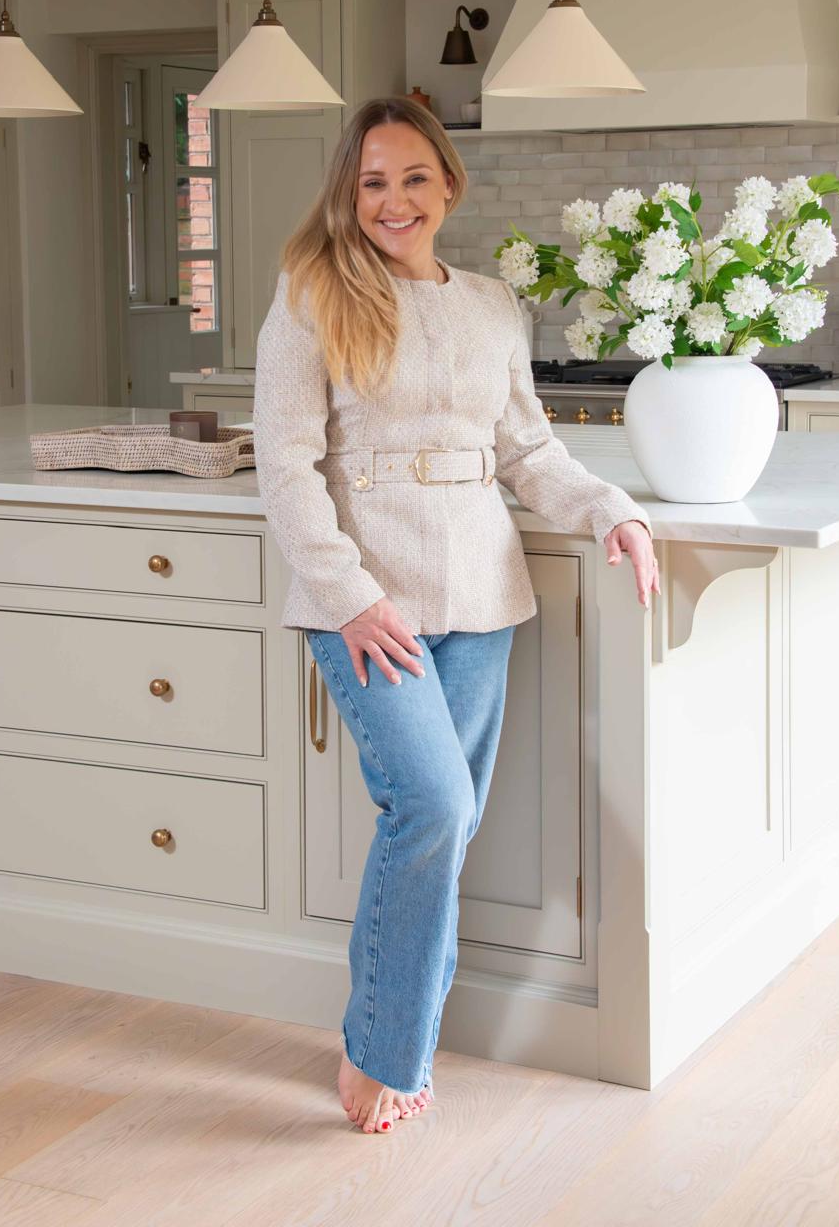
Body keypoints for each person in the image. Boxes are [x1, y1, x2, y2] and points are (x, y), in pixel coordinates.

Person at [251, 96, 658, 1135]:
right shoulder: (310, 293)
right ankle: (383, 1048)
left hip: (480, 592)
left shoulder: (489, 305)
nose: (393, 200)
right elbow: (287, 466)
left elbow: (525, 451)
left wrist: (609, 510)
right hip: (365, 604)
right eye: (373, 181)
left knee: (450, 823)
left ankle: (400, 1033)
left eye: (413, 178)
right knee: (429, 807)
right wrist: (346, 595)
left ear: (447, 185)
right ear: (349, 193)